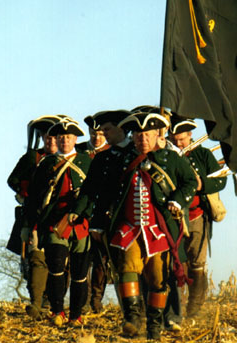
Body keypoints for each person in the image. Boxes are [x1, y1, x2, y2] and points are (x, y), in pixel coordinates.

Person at [75, 110, 198, 340]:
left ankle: (153, 327)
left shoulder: (170, 159)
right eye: (138, 135)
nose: (143, 140)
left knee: (157, 279)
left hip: (158, 230)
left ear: (156, 136)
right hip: (129, 228)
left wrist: (177, 201)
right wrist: (99, 223)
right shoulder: (121, 160)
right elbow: (104, 193)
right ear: (132, 136)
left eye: (147, 135)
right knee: (126, 270)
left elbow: (190, 181)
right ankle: (132, 318)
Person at [26, 118, 92, 327]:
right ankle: (57, 311)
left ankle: (76, 314)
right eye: (61, 137)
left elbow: (95, 193)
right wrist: (29, 224)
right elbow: (34, 197)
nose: (65, 141)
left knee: (80, 272)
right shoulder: (46, 163)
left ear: (75, 139)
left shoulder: (87, 161)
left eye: (69, 137)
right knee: (56, 266)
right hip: (54, 222)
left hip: (81, 224)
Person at [168, 113, 227, 318]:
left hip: (197, 215)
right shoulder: (166, 155)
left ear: (190, 134)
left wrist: (202, 185)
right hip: (171, 217)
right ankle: (177, 307)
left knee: (197, 263)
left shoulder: (202, 155)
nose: (178, 142)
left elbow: (220, 180)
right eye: (174, 139)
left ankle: (195, 307)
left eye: (182, 138)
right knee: (176, 262)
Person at [74, 109, 132, 313]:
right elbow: (90, 190)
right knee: (113, 266)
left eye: (107, 129)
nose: (103, 133)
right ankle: (129, 312)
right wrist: (79, 213)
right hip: (107, 220)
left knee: (131, 267)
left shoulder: (137, 153)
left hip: (133, 219)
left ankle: (140, 309)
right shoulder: (101, 159)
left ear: (121, 129)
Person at [6, 115, 64, 320]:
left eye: (53, 137)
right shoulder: (33, 158)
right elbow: (12, 179)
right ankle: (37, 303)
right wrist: (24, 190)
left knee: (58, 260)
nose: (49, 141)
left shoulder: (68, 160)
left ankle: (51, 301)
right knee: (36, 258)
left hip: (60, 218)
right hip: (35, 215)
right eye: (45, 137)